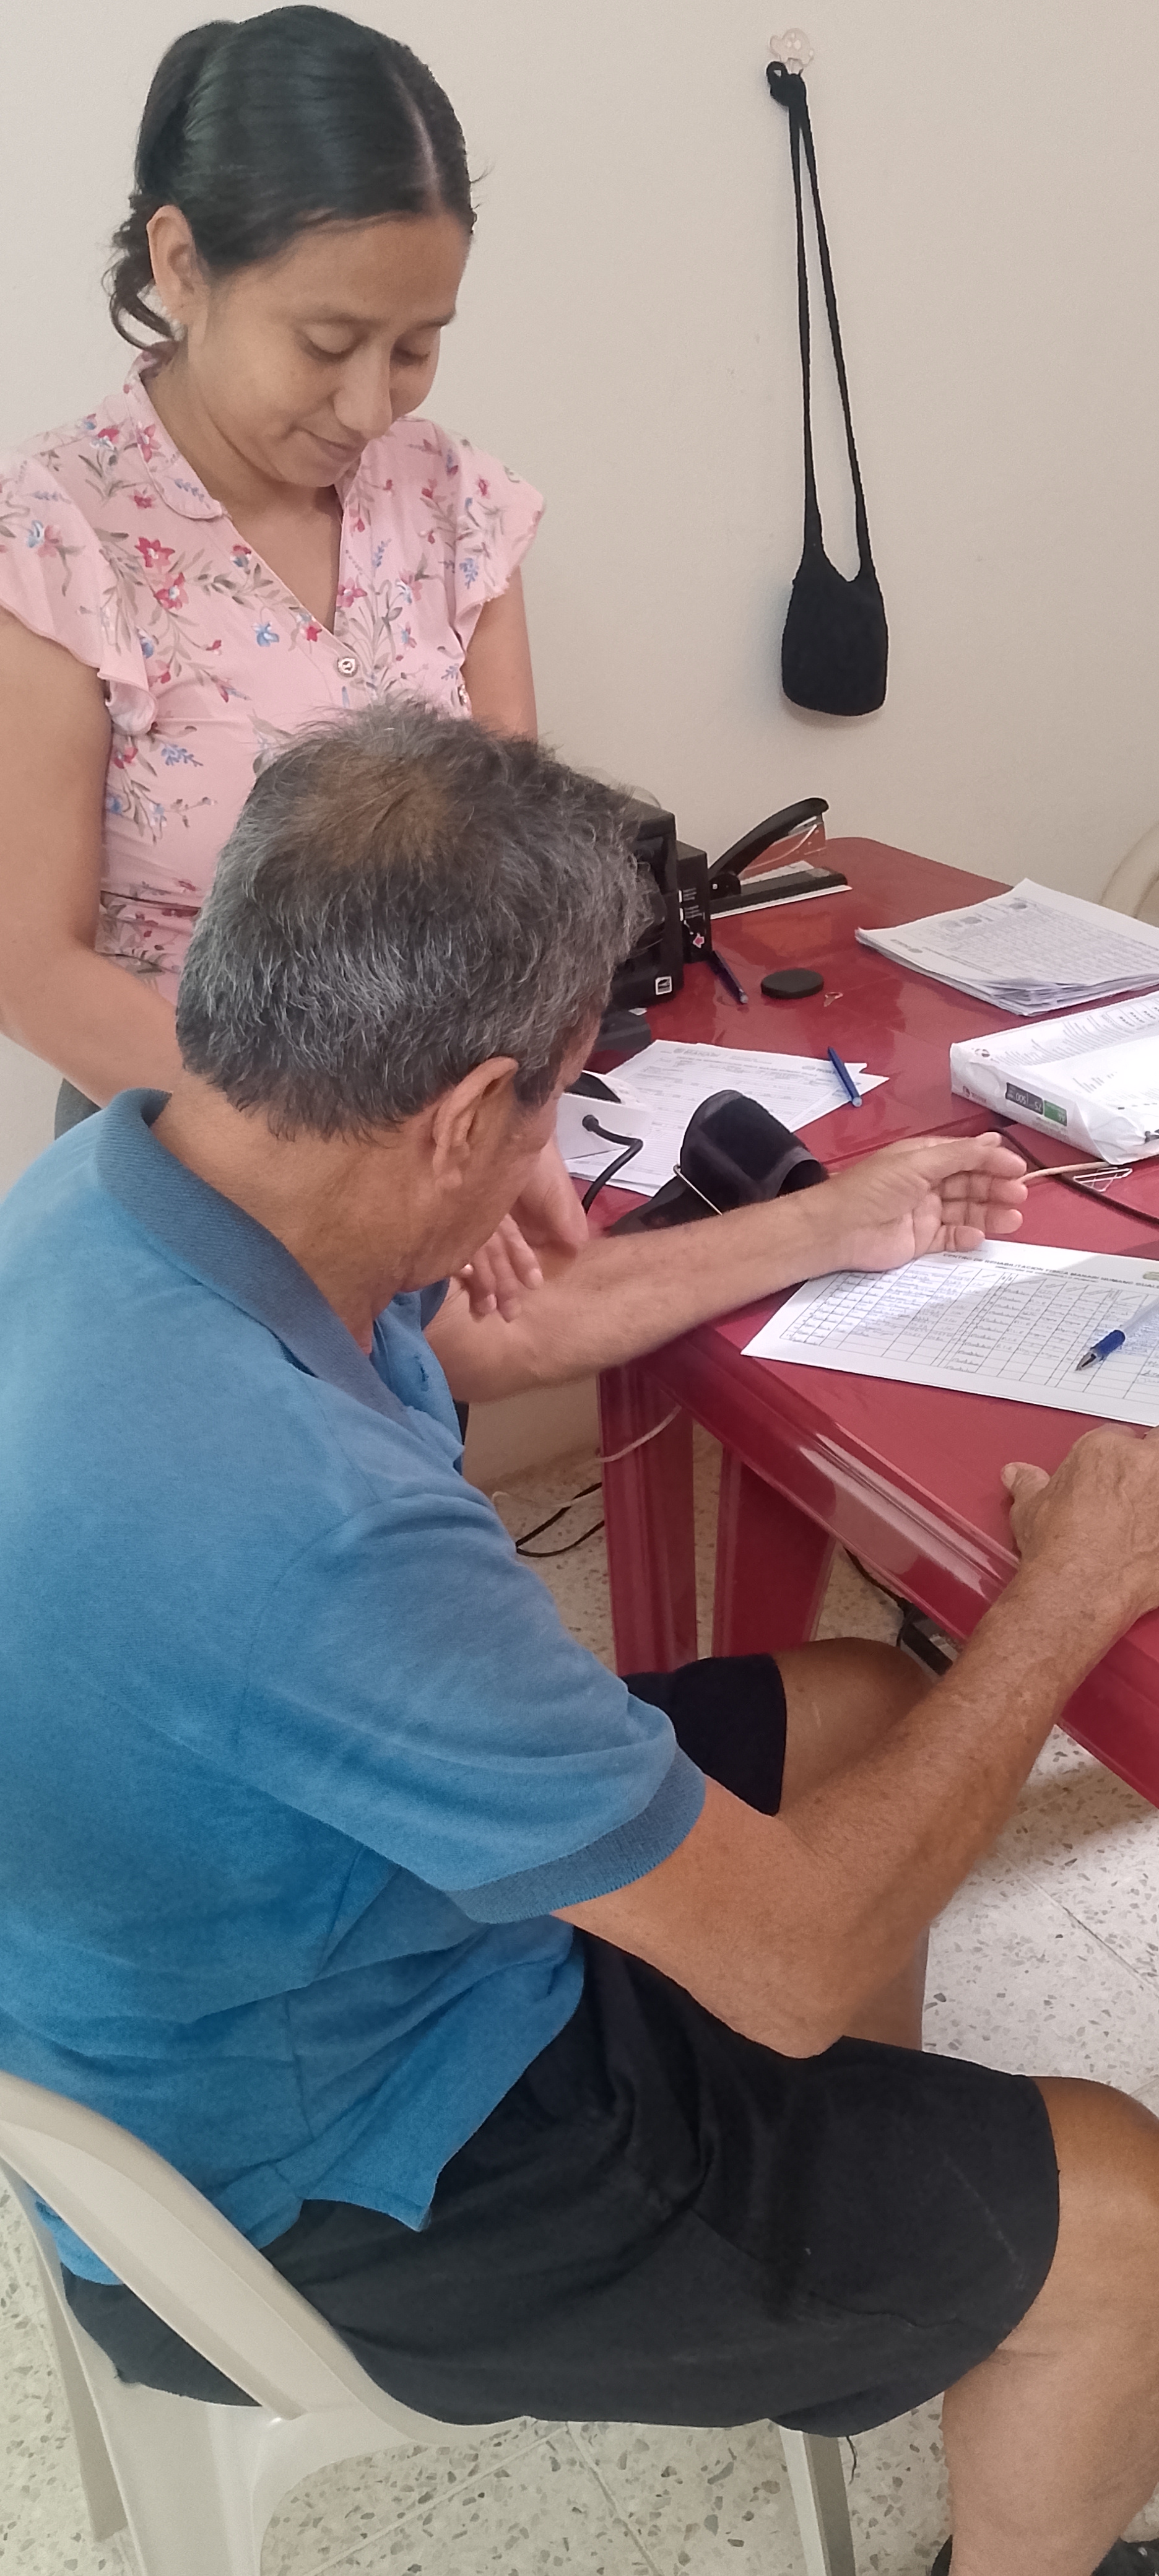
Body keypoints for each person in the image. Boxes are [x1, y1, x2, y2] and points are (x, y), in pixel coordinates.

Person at [6, 706, 1159, 2576]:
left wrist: (834, 1225)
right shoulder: (307, 1524)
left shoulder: (133, 1187)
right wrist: (1067, 1597)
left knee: (868, 1707)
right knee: (1126, 2213)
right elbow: (800, 1964)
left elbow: (505, 1334)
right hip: (335, 2155)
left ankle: (848, 2221)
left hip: (218, 1961)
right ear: (467, 1111)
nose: (558, 1149)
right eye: (555, 1095)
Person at [0, 4, 573, 1310]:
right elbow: (29, 963)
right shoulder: (56, 538)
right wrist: (335, 1168)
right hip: (177, 1177)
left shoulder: (455, 508)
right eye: (325, 345)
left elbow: (516, 893)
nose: (372, 405)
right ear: (183, 264)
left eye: (415, 347)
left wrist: (510, 1136)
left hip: (432, 1176)